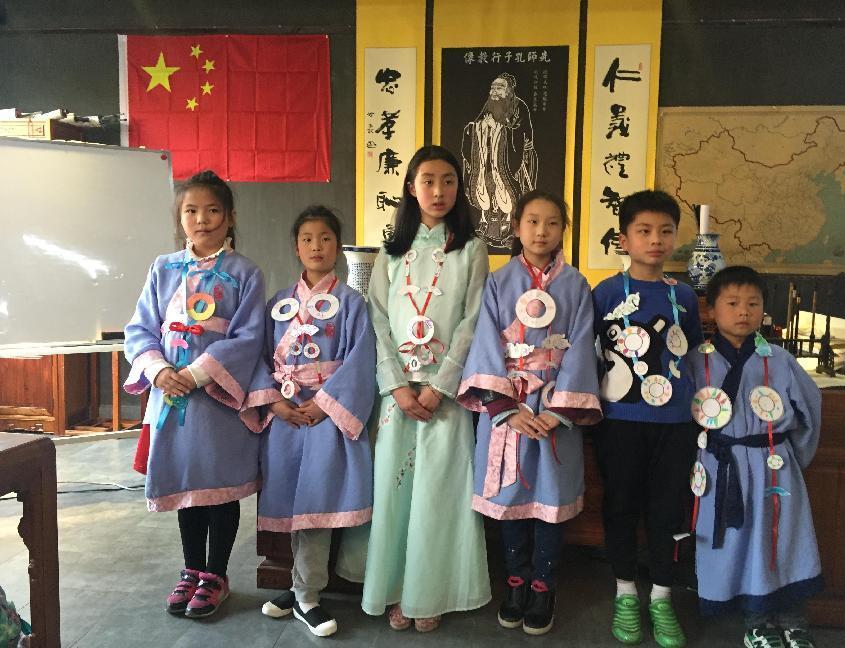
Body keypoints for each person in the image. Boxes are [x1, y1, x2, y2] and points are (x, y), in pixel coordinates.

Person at [458, 190, 602, 635]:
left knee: (549, 502)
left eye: (553, 223)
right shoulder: (498, 282)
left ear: (563, 230)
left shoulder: (576, 285)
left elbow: (583, 347)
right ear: (517, 227)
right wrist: (504, 408)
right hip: (511, 407)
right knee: (511, 500)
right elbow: (485, 341)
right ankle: (516, 582)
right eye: (533, 221)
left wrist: (559, 410)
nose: (542, 231)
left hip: (555, 408)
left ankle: (544, 586)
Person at [360, 145, 492, 631]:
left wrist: (440, 386)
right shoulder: (391, 251)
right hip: (397, 396)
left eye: (449, 181)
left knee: (439, 492)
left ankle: (428, 592)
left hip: (446, 396)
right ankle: (396, 589)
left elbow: (473, 320)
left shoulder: (471, 249)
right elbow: (376, 320)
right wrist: (396, 386)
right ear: (411, 187)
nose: (439, 191)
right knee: (395, 492)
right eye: (428, 180)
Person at [123, 170, 265, 619]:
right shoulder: (163, 268)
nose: (201, 219)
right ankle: (192, 570)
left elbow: (248, 337)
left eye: (212, 210)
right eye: (191, 211)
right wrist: (160, 370)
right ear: (180, 218)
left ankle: (216, 574)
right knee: (188, 487)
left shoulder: (246, 273)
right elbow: (140, 328)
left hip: (218, 399)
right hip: (172, 398)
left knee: (218, 488)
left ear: (230, 217)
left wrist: (199, 373)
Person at [240, 207, 376, 637]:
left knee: (317, 502)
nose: (317, 246)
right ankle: (299, 587)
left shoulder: (352, 304)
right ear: (296, 247)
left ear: (338, 246)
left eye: (326, 238)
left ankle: (308, 595)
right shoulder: (278, 304)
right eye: (307, 239)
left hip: (325, 419)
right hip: (285, 418)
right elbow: (258, 359)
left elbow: (360, 362)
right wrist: (275, 404)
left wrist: (324, 404)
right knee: (290, 503)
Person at [684, 266, 822, 648]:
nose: (743, 311)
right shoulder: (697, 361)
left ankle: (793, 622)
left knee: (782, 541)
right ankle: (757, 623)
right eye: (732, 303)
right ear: (711, 309)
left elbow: (810, 408)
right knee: (739, 544)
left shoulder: (778, 359)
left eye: (753, 303)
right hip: (721, 468)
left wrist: (791, 459)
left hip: (772, 467)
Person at [591, 190, 703, 647]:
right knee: (620, 504)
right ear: (625, 239)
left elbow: (693, 355)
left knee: (668, 508)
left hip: (676, 423)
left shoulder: (685, 296)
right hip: (618, 420)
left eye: (665, 231)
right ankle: (624, 591)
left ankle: (661, 596)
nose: (656, 240)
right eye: (644, 231)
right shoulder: (605, 293)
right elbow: (588, 355)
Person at [461, 72, 538, 249]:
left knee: (509, 191)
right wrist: (479, 128)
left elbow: (522, 135)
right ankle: (487, 225)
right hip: (489, 159)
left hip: (512, 159)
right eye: (493, 87)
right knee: (486, 185)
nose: (495, 91)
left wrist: (498, 128)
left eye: (500, 87)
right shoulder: (489, 105)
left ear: (509, 90)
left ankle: (511, 230)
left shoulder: (519, 106)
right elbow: (478, 125)